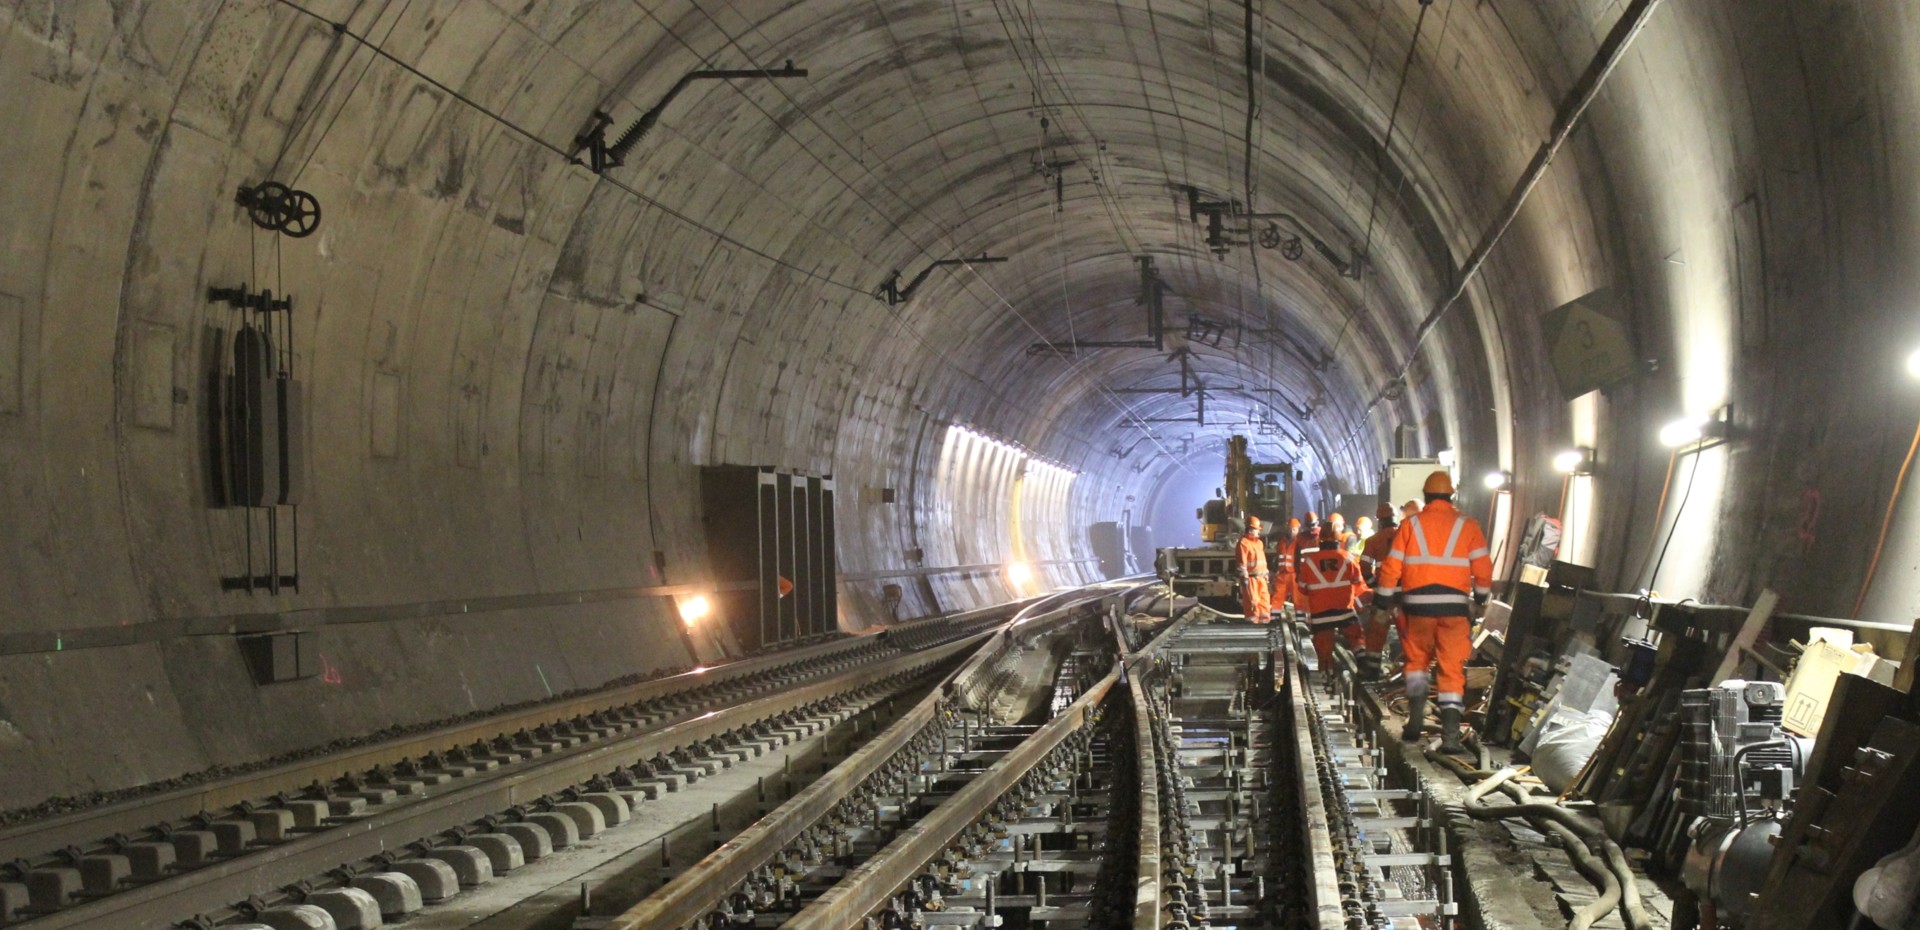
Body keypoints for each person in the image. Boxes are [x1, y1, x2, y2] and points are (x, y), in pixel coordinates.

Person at [1375, 471, 1493, 755]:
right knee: (1451, 671)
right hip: (1454, 609)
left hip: (1418, 607)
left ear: (1426, 497)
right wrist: (1482, 597)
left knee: (1416, 663)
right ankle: (1451, 737)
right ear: (1451, 495)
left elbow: (1392, 567)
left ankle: (1415, 722)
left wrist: (1383, 601)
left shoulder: (1410, 525)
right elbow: (1483, 568)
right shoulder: (1468, 525)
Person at [1297, 520, 1368, 677]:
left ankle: (1326, 677)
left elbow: (1302, 588)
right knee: (1357, 640)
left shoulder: (1309, 561)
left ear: (1320, 538)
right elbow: (1358, 582)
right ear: (1339, 538)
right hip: (1345, 611)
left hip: (1321, 615)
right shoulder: (1348, 558)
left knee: (1324, 651)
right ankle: (1364, 668)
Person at [1359, 504, 1399, 679]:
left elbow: (1365, 566)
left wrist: (1373, 584)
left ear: (1380, 521)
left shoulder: (1374, 540)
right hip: (1408, 594)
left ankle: (1373, 671)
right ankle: (1407, 669)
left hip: (1385, 595)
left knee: (1376, 631)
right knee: (1410, 633)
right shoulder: (1408, 537)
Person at [1236, 516, 1271, 623]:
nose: (1259, 532)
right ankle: (1253, 627)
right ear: (1250, 530)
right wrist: (1245, 578)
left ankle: (1265, 625)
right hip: (1251, 580)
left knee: (1265, 604)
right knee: (1253, 604)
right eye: (1257, 530)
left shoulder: (1259, 543)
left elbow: (1262, 561)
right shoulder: (1243, 543)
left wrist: (1266, 574)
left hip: (1262, 579)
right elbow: (1242, 564)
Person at [1269, 517, 1303, 616]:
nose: (1291, 531)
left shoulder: (1300, 542)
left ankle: (1300, 619)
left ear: (1298, 529)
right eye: (1290, 529)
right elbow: (1277, 557)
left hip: (1295, 575)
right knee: (1277, 598)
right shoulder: (1281, 542)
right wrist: (1274, 571)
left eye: (1294, 529)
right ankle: (1275, 618)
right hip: (1282, 574)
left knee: (1298, 599)